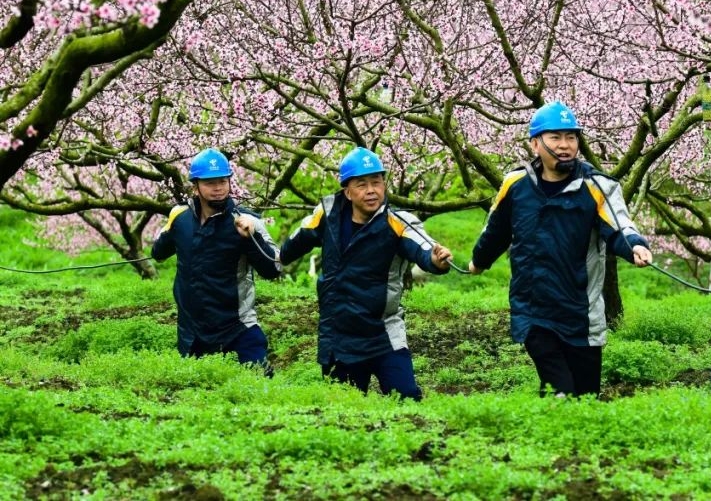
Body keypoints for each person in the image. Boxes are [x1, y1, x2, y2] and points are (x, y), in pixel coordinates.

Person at [468, 101, 653, 397]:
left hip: (580, 311)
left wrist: (636, 247)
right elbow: (496, 230)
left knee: (585, 396)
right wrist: (478, 261)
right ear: (535, 144)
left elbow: (619, 227)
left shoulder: (596, 186)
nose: (565, 145)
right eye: (555, 138)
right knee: (560, 388)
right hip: (533, 307)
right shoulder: (515, 184)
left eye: (571, 137)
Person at [280, 147, 453, 400]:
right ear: (347, 191)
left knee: (406, 398)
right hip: (340, 335)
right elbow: (289, 250)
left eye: (377, 182)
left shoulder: (398, 221)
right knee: (344, 410)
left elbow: (425, 251)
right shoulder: (327, 216)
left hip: (383, 332)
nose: (371, 190)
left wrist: (438, 261)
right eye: (362, 184)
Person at [152, 148, 282, 374]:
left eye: (223, 181)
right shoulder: (180, 219)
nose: (218, 188)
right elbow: (158, 253)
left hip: (237, 328)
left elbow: (274, 268)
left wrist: (252, 238)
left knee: (261, 386)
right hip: (192, 333)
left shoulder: (246, 221)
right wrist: (170, 224)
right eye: (210, 183)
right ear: (196, 186)